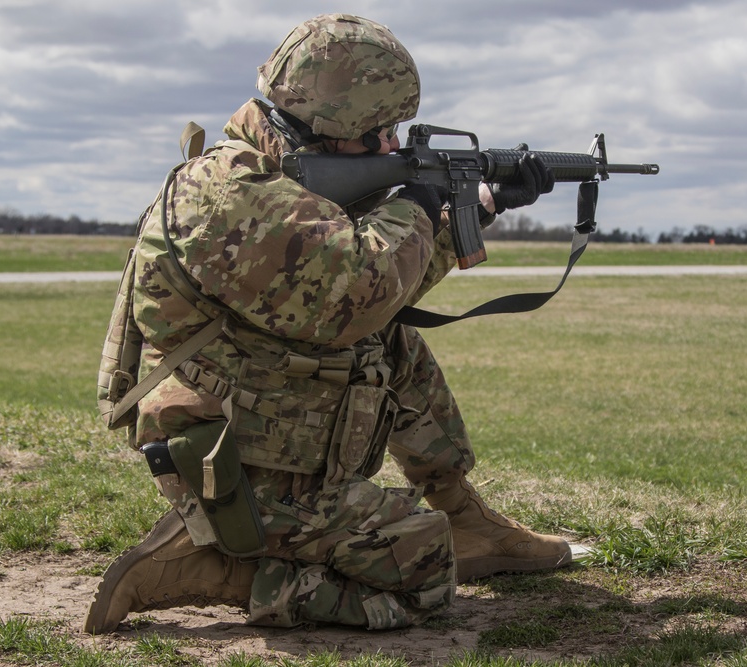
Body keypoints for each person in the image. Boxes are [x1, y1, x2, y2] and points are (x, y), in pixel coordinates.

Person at [83, 13, 567, 634]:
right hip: (238, 473)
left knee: (394, 343)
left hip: (274, 442)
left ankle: (463, 511)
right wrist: (419, 206)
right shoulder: (228, 192)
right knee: (425, 574)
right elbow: (356, 290)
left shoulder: (284, 181)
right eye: (379, 131)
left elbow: (372, 291)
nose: (392, 146)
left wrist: (485, 205)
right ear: (333, 122)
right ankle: (212, 572)